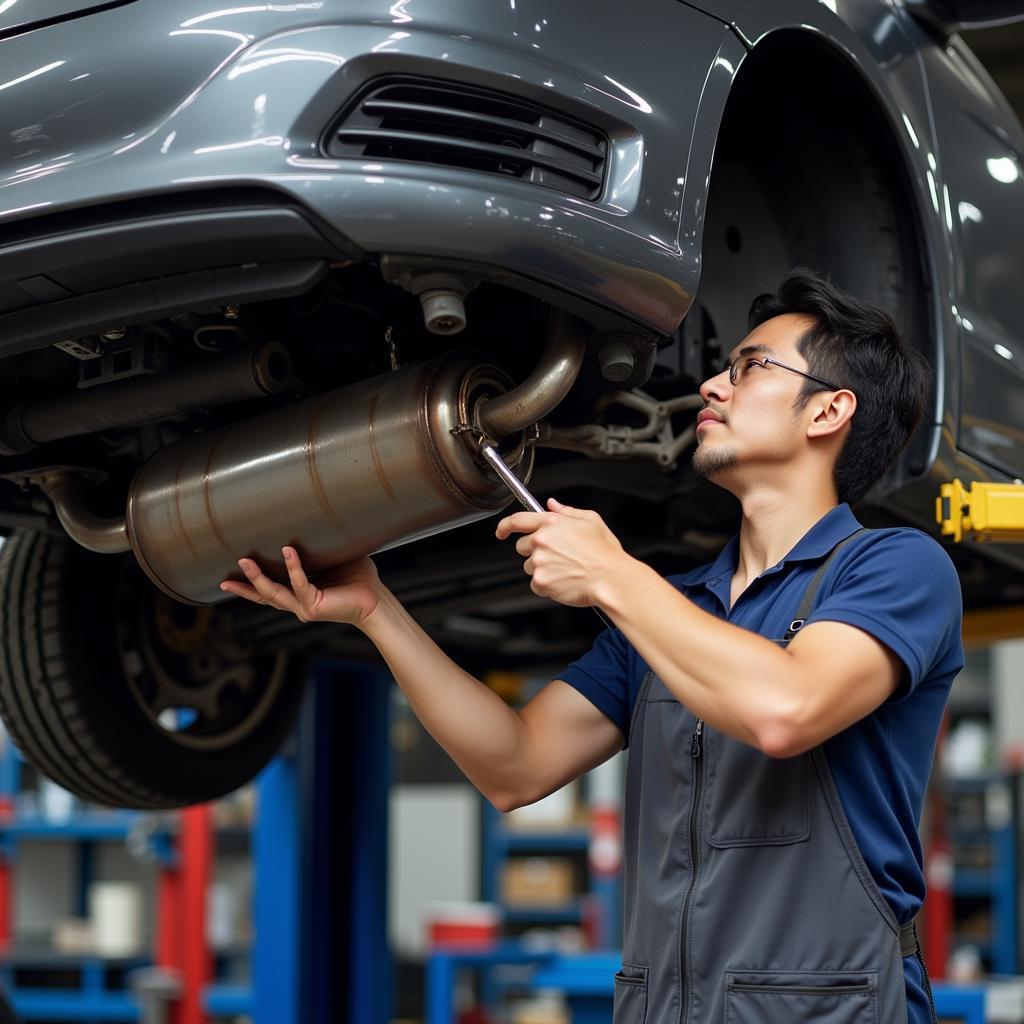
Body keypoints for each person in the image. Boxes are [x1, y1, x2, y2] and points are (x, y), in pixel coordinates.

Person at [221, 268, 963, 1024]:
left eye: (748, 367)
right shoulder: (672, 611)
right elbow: (515, 765)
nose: (712, 385)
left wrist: (612, 575)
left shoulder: (895, 569)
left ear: (830, 411)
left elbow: (786, 708)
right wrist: (377, 611)